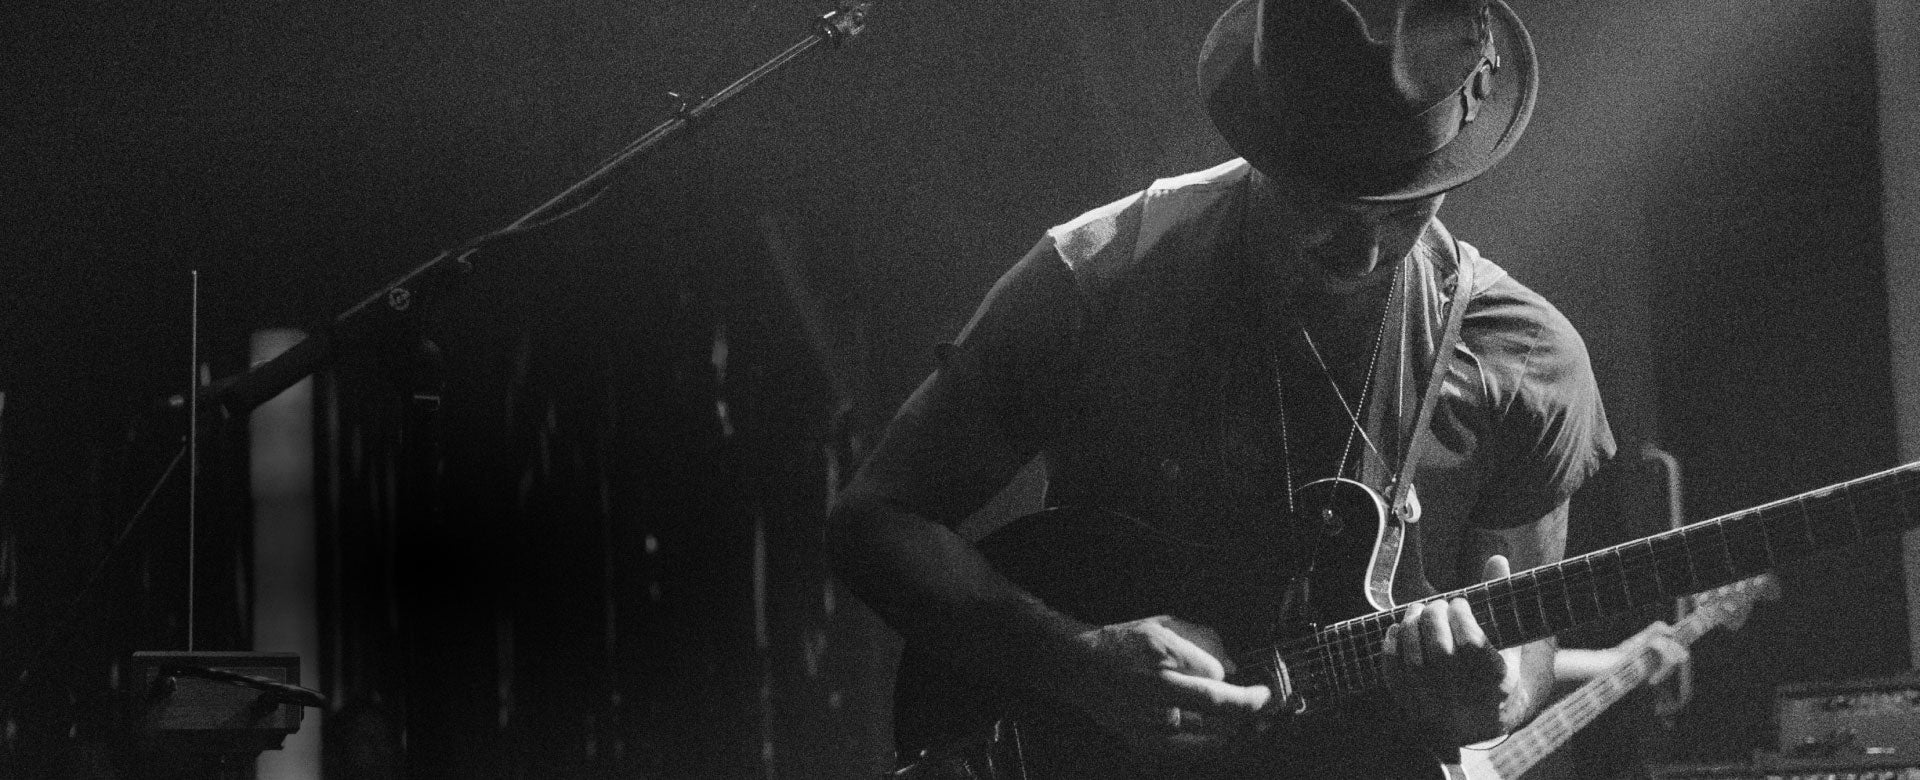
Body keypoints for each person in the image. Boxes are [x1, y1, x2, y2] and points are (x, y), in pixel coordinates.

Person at [829, 0, 1614, 775]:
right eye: (1324, 201)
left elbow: (1527, 648)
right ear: (1263, 148)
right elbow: (875, 520)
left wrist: (1495, 699)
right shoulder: (1101, 273)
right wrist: (1079, 661)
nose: (1364, 253)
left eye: (1404, 205)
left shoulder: (1528, 361)